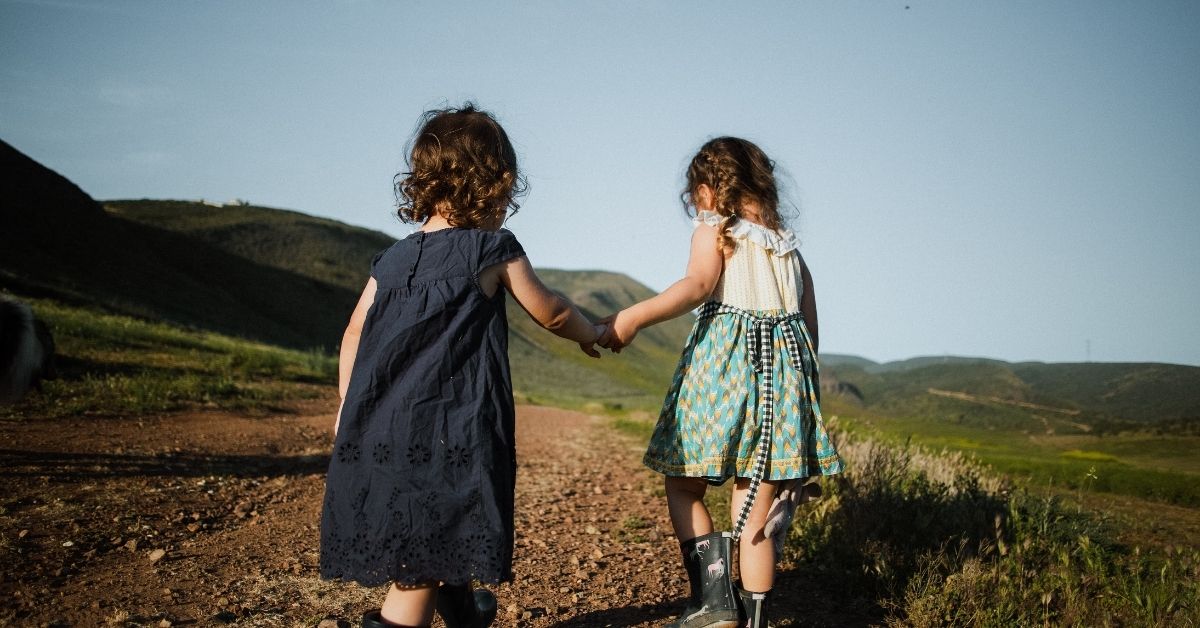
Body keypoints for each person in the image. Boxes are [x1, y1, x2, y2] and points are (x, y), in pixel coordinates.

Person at [319, 104, 608, 628]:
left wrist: (347, 406)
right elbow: (553, 311)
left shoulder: (391, 259)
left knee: (434, 533)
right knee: (419, 565)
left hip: (380, 426)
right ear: (494, 185)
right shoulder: (491, 249)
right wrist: (595, 332)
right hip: (449, 428)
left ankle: (466, 617)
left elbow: (353, 333)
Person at [600, 137, 843, 627]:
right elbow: (810, 330)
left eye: (695, 191)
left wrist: (630, 319)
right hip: (782, 389)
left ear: (713, 188)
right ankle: (754, 620)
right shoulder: (791, 251)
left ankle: (713, 602)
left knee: (684, 484)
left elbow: (695, 286)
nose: (694, 202)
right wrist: (801, 397)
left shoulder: (717, 231)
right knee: (754, 516)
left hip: (721, 378)